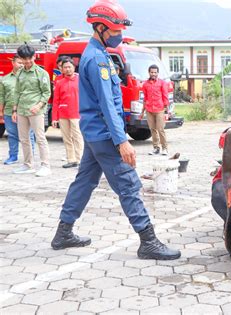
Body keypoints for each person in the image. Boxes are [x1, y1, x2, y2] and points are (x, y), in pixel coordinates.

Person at [50, 0, 181, 260]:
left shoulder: (100, 54)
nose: (118, 36)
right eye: (114, 31)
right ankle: (148, 241)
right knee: (128, 184)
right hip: (105, 134)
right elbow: (107, 104)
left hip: (95, 133)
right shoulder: (96, 59)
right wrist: (121, 140)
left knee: (85, 181)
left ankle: (63, 232)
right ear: (99, 28)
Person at [12, 45, 52, 177]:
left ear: (34, 56)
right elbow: (17, 91)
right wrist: (14, 110)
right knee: (24, 139)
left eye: (30, 58)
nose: (28, 61)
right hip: (22, 110)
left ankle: (46, 165)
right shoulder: (20, 73)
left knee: (40, 138)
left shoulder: (41, 73)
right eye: (25, 59)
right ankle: (28, 164)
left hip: (36, 111)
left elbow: (46, 93)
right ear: (21, 59)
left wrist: (39, 105)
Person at [0, 55, 36, 165]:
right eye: (19, 63)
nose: (21, 65)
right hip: (9, 112)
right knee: (12, 135)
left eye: (22, 62)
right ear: (13, 63)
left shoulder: (29, 77)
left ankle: (30, 157)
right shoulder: (5, 79)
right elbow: (1, 96)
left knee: (28, 135)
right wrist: (1, 112)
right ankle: (13, 156)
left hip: (25, 111)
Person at [52, 58, 83, 168]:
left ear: (74, 67)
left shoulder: (81, 80)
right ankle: (71, 159)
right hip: (63, 113)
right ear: (62, 69)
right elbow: (56, 101)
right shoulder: (59, 82)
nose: (68, 69)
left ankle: (80, 160)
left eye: (70, 67)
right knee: (66, 138)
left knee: (77, 137)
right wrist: (54, 118)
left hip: (76, 113)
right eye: (65, 67)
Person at [139, 64, 169, 156]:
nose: (153, 74)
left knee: (160, 129)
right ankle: (156, 148)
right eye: (152, 72)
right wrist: (142, 112)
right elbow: (145, 98)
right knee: (152, 129)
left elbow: (165, 97)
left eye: (155, 72)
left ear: (157, 73)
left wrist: (167, 112)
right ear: (149, 73)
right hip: (149, 110)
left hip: (159, 109)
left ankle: (165, 148)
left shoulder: (162, 83)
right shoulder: (145, 84)